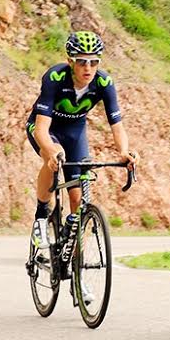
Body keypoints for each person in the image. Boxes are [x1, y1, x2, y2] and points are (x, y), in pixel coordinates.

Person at [26, 31, 137, 272]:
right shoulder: (55, 77)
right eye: (82, 61)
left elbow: (117, 126)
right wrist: (51, 150)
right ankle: (42, 214)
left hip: (75, 133)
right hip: (46, 128)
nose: (88, 68)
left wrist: (124, 152)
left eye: (94, 62)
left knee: (78, 198)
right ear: (70, 61)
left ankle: (75, 264)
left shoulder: (104, 83)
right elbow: (41, 129)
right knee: (52, 158)